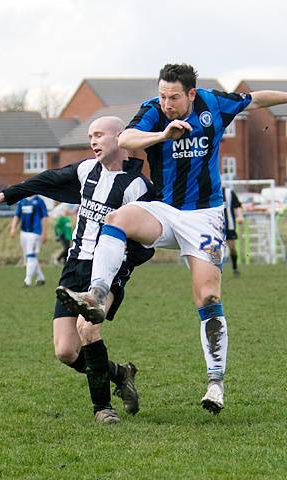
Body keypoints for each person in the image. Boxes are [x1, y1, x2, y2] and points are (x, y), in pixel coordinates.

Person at [58, 63, 287, 415]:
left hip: (204, 217)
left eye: (174, 97)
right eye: (163, 95)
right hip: (164, 210)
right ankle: (97, 294)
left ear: (191, 94)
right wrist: (162, 136)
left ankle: (215, 384)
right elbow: (126, 139)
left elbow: (255, 99)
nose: (167, 103)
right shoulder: (154, 111)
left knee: (208, 295)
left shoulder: (214, 104)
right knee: (117, 218)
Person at [0, 116, 154, 424]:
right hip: (74, 266)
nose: (93, 141)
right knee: (65, 351)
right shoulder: (87, 170)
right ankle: (120, 373)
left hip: (108, 271)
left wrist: (121, 270)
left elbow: (147, 242)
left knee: (88, 329)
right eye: (90, 136)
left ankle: (103, 409)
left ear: (121, 138)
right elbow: (49, 179)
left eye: (100, 135)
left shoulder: (138, 186)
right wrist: (8, 195)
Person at [10, 195, 48, 287]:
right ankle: (41, 277)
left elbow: (45, 217)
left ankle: (28, 280)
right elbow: (17, 215)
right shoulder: (22, 201)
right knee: (30, 256)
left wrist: (45, 233)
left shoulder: (39, 201)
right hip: (23, 232)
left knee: (30, 255)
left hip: (35, 232)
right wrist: (13, 228)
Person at [222, 186, 243, 276]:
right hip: (214, 226)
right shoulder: (209, 191)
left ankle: (235, 268)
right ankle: (214, 271)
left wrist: (240, 216)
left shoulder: (229, 192)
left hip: (229, 225)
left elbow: (237, 206)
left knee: (232, 248)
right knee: (214, 250)